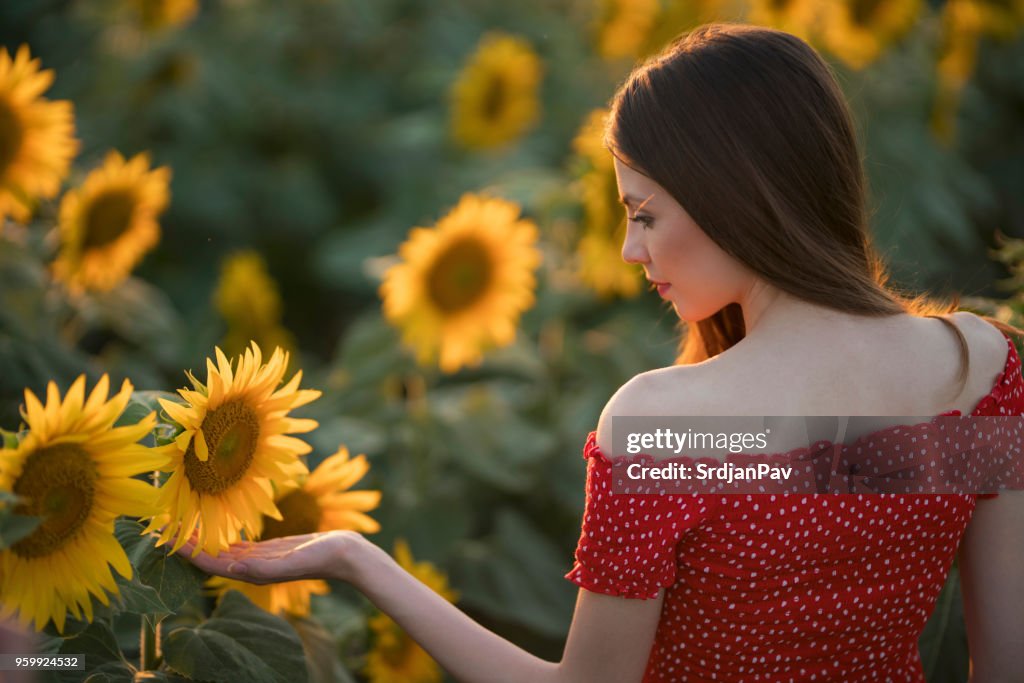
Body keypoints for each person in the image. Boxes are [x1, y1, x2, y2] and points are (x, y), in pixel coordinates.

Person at [178, 23, 1024, 682]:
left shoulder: (666, 428)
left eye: (645, 213)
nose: (628, 250)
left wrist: (355, 559)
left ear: (738, 194)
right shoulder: (979, 367)